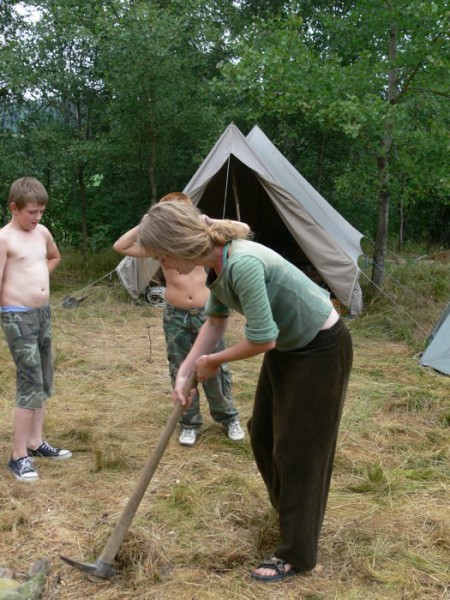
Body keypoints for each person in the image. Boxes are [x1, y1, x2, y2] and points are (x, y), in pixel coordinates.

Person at [135, 200, 353, 582]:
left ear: (180, 244)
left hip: (321, 348)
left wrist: (214, 362)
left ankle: (297, 554)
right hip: (292, 347)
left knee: (299, 450)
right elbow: (215, 323)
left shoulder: (242, 263)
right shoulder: (215, 264)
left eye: (162, 256)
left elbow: (263, 339)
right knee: (264, 435)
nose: (164, 266)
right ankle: (292, 515)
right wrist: (185, 370)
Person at [113, 192, 245, 446]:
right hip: (176, 315)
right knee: (180, 369)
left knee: (215, 367)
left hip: (208, 313)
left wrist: (206, 220)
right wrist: (147, 222)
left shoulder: (204, 239)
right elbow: (121, 246)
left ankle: (228, 418)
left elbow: (240, 229)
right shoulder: (159, 247)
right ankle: (189, 423)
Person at [0, 177, 72, 483]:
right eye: (32, 211)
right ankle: (18, 456)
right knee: (29, 381)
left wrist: (42, 276)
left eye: (41, 211)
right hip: (18, 318)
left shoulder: (42, 232)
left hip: (42, 314)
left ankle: (35, 442)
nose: (38, 217)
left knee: (42, 377)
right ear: (14, 208)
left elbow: (53, 257)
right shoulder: (5, 239)